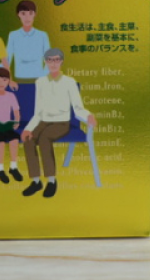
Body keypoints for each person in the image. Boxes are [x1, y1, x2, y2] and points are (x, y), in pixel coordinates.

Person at [21, 49, 96, 199]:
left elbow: (78, 107)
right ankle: (36, 181)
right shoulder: (40, 82)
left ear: (61, 61)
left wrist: (88, 115)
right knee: (28, 139)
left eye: (56, 60)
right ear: (45, 62)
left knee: (44, 138)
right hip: (43, 121)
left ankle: (51, 181)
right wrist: (28, 129)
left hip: (61, 123)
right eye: (50, 60)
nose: (53, 63)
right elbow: (38, 112)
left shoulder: (69, 82)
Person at [5, 0, 51, 81]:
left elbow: (49, 58)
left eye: (30, 13)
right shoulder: (13, 35)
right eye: (23, 13)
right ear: (18, 14)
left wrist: (43, 77)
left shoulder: (42, 35)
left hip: (39, 76)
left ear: (35, 14)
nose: (27, 17)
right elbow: (7, 58)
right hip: (19, 77)